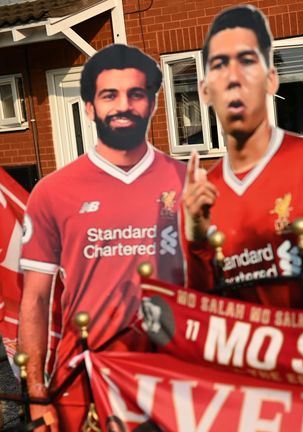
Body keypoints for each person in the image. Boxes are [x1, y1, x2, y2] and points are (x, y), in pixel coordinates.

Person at [19, 44, 186, 429]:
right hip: (83, 378)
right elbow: (37, 298)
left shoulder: (189, 183)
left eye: (136, 94)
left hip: (171, 377)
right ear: (90, 107)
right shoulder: (52, 191)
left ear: (152, 104)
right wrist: (36, 394)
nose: (123, 105)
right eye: (109, 95)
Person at [182, 5, 303, 311]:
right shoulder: (206, 195)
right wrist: (196, 239)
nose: (234, 78)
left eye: (246, 62)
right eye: (219, 65)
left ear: (271, 79)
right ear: (205, 90)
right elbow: (203, 313)